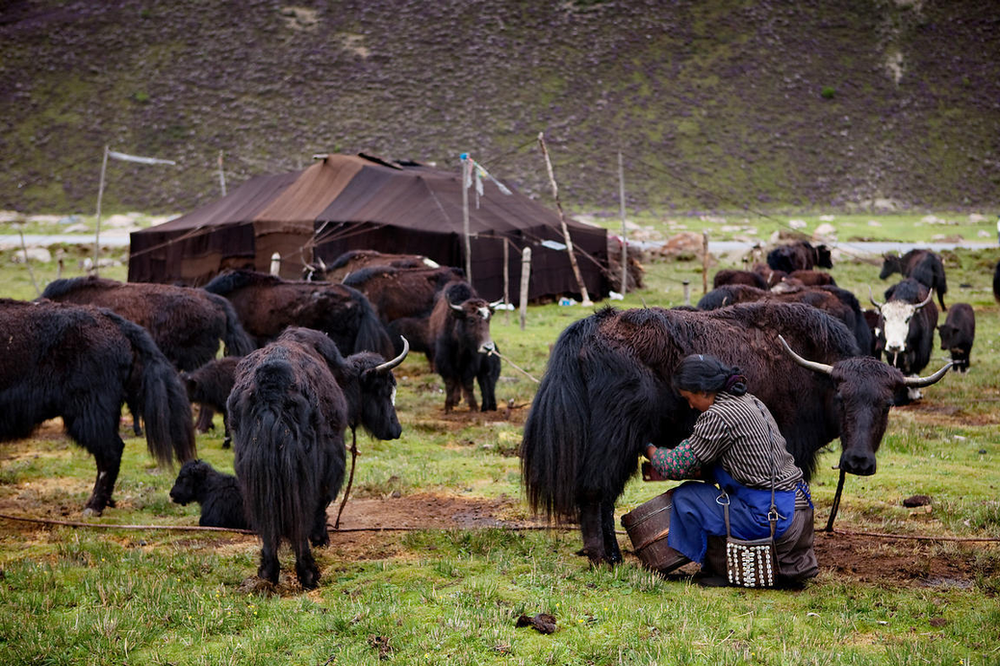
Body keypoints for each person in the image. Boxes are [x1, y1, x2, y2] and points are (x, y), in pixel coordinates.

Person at [642, 353, 818, 587]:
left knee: (688, 497)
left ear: (704, 390)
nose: (691, 405)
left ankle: (720, 567)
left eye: (689, 397)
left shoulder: (719, 416)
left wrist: (648, 449)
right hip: (797, 510)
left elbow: (676, 465)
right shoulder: (750, 401)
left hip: (772, 517)